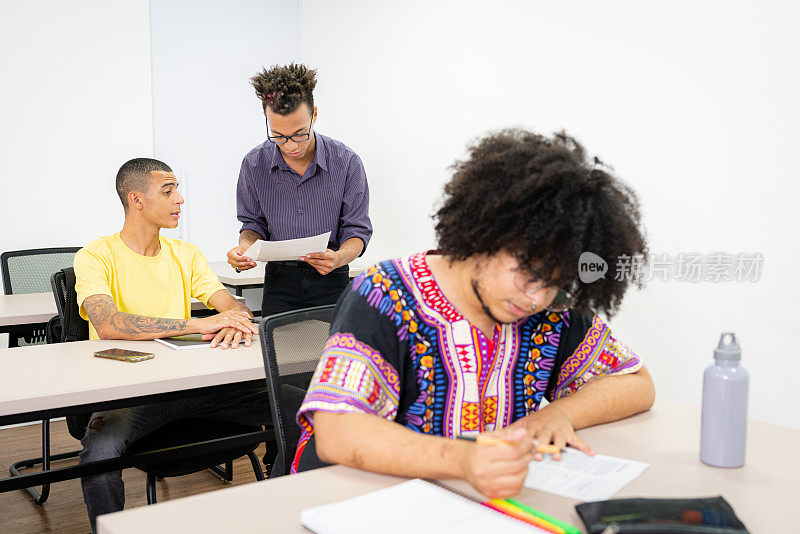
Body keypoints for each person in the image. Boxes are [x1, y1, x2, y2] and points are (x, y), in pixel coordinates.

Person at [291, 130, 656, 500]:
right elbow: (336, 433)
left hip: (472, 503)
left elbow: (635, 382)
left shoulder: (552, 309)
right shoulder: (383, 295)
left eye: (557, 286)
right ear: (487, 232)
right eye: (529, 273)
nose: (537, 299)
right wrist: (464, 459)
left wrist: (557, 415)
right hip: (353, 500)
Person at [74, 158, 265, 532]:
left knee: (299, 401)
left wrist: (234, 315)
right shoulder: (96, 256)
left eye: (177, 189)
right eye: (168, 191)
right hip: (132, 396)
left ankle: (288, 503)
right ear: (137, 200)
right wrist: (198, 323)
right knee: (98, 454)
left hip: (198, 388)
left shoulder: (186, 254)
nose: (180, 199)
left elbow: (225, 301)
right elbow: (110, 323)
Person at [227, 63, 372, 316]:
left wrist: (337, 259)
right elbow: (252, 225)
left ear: (314, 115)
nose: (290, 145)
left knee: (332, 353)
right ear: (267, 119)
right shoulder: (254, 164)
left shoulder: (346, 162)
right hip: (279, 283)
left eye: (299, 134)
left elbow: (357, 231)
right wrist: (245, 248)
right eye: (279, 136)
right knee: (279, 353)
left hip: (332, 279)